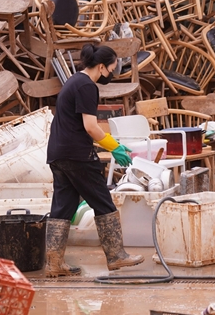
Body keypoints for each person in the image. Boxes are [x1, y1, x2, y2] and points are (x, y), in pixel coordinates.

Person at [44, 44, 144, 277]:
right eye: (111, 69)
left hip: (58, 153)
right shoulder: (87, 86)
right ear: (101, 67)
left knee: (63, 206)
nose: (111, 74)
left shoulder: (73, 81)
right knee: (103, 202)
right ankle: (116, 256)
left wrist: (109, 144)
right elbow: (90, 126)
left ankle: (54, 263)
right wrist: (114, 146)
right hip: (77, 155)